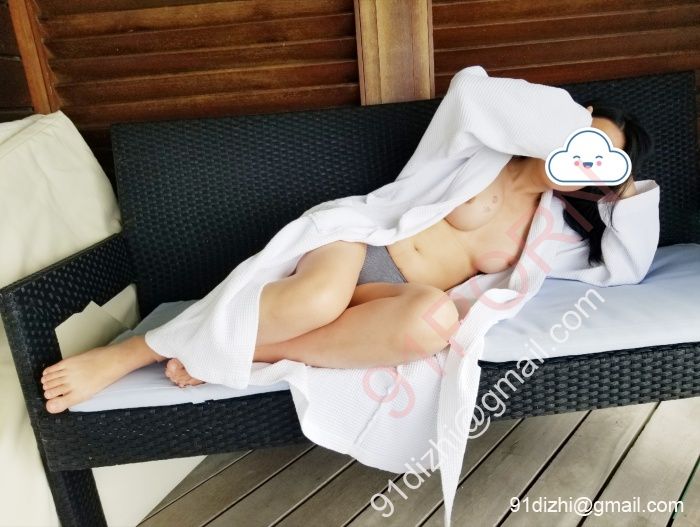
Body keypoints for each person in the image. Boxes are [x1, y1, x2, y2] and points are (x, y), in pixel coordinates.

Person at [39, 99, 652, 415]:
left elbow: (628, 267)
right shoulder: (481, 147)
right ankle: (135, 352)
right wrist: (560, 116)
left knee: (435, 323)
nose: (583, 159)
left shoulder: (558, 231)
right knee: (318, 299)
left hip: (389, 297)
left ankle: (245, 351)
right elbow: (471, 88)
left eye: (601, 160)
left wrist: (628, 190)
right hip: (358, 246)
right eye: (584, 140)